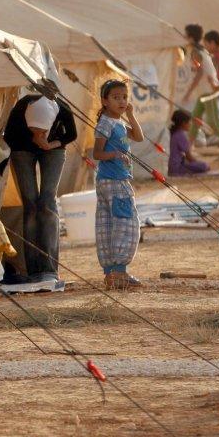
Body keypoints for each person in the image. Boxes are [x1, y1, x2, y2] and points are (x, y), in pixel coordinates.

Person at [3, 93, 77, 286]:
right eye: (34, 130)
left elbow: (72, 134)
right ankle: (32, 268)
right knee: (30, 203)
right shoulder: (20, 112)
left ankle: (49, 268)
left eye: (43, 131)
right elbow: (8, 137)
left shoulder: (62, 109)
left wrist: (51, 143)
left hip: (54, 149)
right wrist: (32, 139)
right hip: (22, 149)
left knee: (47, 201)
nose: (39, 134)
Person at [92, 80, 143, 290]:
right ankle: (119, 272)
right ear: (105, 101)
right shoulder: (106, 123)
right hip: (115, 181)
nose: (121, 101)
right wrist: (115, 154)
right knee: (125, 224)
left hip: (107, 181)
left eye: (124, 97)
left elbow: (139, 137)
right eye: (115, 98)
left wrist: (130, 114)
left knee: (107, 225)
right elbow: (97, 153)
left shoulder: (118, 122)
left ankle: (111, 274)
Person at [180, 24, 219, 149]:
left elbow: (200, 72)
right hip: (205, 92)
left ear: (190, 37)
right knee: (195, 120)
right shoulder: (202, 50)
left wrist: (188, 93)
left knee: (214, 121)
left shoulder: (196, 52)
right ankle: (188, 149)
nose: (184, 37)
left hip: (208, 92)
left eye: (185, 35)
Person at [167, 109, 210, 176]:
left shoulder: (174, 133)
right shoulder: (180, 135)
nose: (191, 124)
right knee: (204, 166)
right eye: (189, 122)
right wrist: (197, 164)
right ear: (183, 123)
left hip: (172, 167)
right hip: (178, 168)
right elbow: (189, 157)